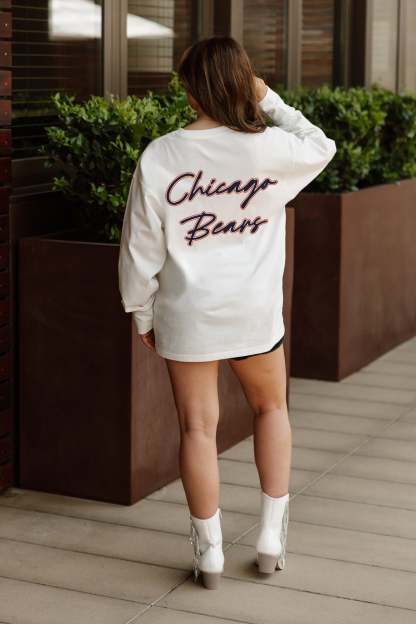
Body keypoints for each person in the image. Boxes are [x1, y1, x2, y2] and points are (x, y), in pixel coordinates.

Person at [118, 35, 336, 590]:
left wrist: (141, 312)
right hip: (254, 313)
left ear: (190, 92)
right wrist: (269, 100)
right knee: (271, 408)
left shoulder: (161, 155)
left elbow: (139, 249)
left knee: (197, 427)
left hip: (187, 313)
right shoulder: (271, 149)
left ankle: (210, 552)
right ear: (243, 83)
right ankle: (270, 539)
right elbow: (321, 145)